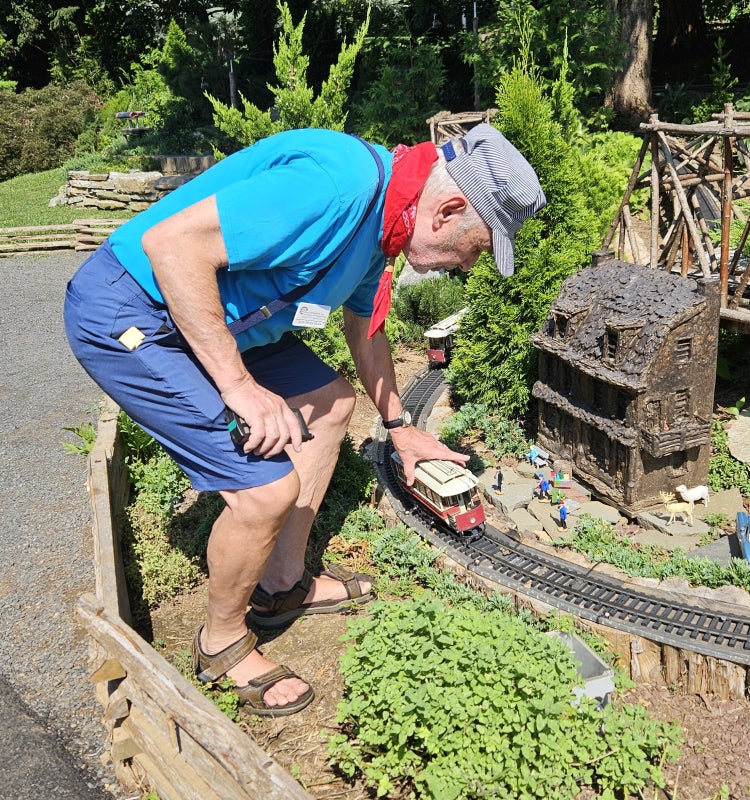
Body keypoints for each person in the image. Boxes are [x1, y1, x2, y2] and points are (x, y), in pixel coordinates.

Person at [64, 124, 545, 717]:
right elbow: (173, 248)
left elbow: (365, 332)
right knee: (265, 492)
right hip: (138, 308)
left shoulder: (385, 225)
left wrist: (400, 428)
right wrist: (237, 387)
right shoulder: (336, 187)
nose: (465, 267)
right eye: (472, 249)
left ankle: (279, 587)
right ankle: (220, 646)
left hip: (227, 317)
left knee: (333, 401)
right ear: (446, 210)